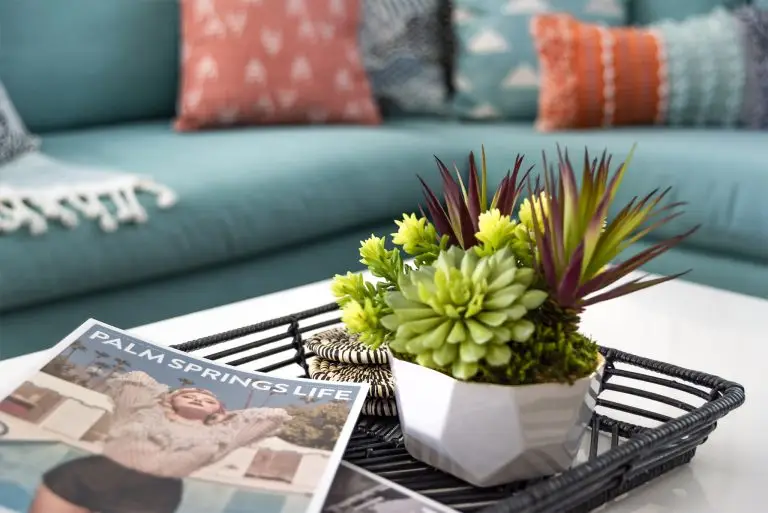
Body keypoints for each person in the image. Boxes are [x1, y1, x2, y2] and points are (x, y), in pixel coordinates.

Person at [27, 370, 291, 513]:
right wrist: (163, 400)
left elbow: (271, 416)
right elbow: (137, 379)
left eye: (208, 399)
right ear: (170, 399)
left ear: (220, 412)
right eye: (189, 394)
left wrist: (224, 418)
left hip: (152, 494)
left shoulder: (225, 435)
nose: (199, 397)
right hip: (86, 475)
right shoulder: (139, 409)